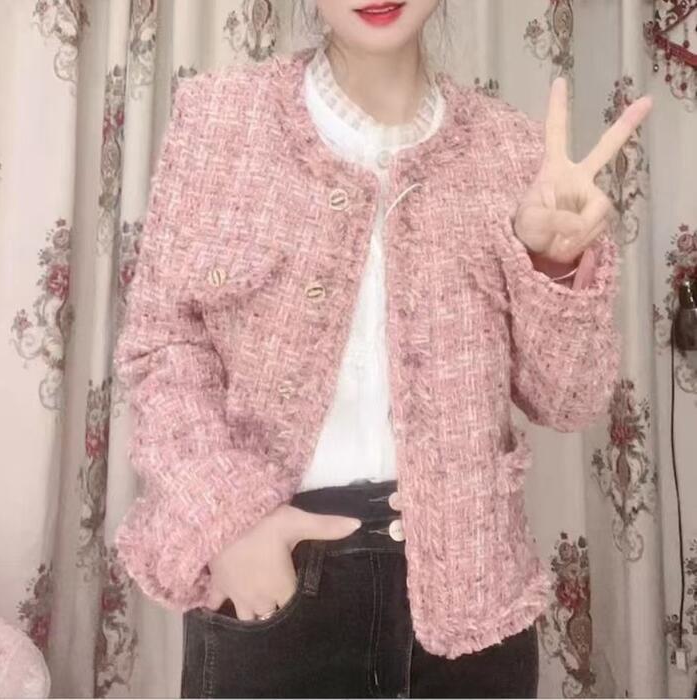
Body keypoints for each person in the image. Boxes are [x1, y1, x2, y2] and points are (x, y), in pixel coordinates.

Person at [112, 1, 653, 697]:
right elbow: (163, 346)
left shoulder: (514, 151)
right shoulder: (222, 119)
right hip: (271, 581)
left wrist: (552, 266)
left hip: (473, 601)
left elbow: (568, 400)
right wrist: (231, 522)